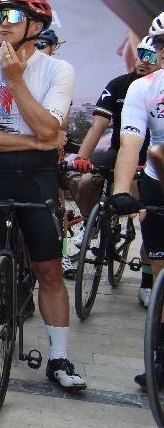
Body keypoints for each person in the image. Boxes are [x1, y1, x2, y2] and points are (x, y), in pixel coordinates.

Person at [0, 0, 85, 392]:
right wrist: (34, 141)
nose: (3, 24)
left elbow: (50, 127)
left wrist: (14, 80)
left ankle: (59, 358)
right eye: (0, 16)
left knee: (49, 270)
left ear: (36, 27)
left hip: (37, 179)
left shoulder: (59, 70)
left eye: (12, 16)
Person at [73, 35, 160, 305]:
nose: (145, 60)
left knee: (147, 212)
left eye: (152, 55)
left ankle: (147, 282)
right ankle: (88, 225)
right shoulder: (120, 84)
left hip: (151, 158)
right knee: (87, 181)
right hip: (122, 149)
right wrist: (81, 158)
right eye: (141, 53)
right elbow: (98, 126)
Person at [111, 24, 164, 388]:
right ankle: (161, 356)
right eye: (161, 44)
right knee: (160, 266)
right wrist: (120, 190)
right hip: (159, 181)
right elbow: (131, 142)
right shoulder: (143, 87)